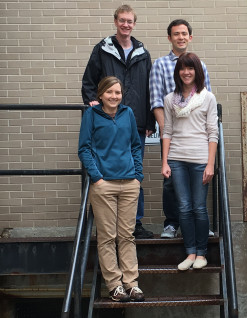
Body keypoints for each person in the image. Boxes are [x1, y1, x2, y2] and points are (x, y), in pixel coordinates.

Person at [82, 4, 155, 239]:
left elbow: (149, 89)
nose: (126, 25)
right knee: (104, 172)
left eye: (130, 21)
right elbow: (89, 81)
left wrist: (150, 121)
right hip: (107, 120)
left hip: (136, 124)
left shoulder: (142, 53)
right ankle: (108, 222)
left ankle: (135, 223)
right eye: (122, 20)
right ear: (115, 21)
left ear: (134, 24)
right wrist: (92, 101)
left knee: (134, 173)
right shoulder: (102, 49)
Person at [78, 76, 145, 302]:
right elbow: (84, 149)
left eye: (117, 92)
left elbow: (136, 145)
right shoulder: (91, 115)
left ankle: (132, 284)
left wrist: (138, 175)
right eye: (109, 92)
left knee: (127, 235)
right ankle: (115, 286)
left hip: (129, 184)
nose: (114, 96)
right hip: (104, 185)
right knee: (108, 237)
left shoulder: (127, 114)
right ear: (100, 94)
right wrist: (97, 177)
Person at [149, 19, 213, 238]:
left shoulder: (200, 65)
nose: (180, 37)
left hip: (197, 136)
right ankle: (171, 224)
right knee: (170, 183)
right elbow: (156, 101)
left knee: (201, 180)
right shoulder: (159, 64)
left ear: (190, 37)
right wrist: (168, 131)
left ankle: (200, 225)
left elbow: (207, 99)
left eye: (184, 33)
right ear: (169, 38)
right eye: (176, 34)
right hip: (172, 134)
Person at [161, 53, 218, 270]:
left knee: (199, 208)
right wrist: (165, 162)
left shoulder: (207, 97)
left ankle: (202, 254)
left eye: (190, 68)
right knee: (184, 207)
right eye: (182, 68)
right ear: (178, 72)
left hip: (200, 160)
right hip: (176, 159)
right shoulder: (169, 99)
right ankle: (190, 253)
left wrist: (210, 164)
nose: (186, 72)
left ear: (197, 71)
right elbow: (167, 131)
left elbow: (213, 132)